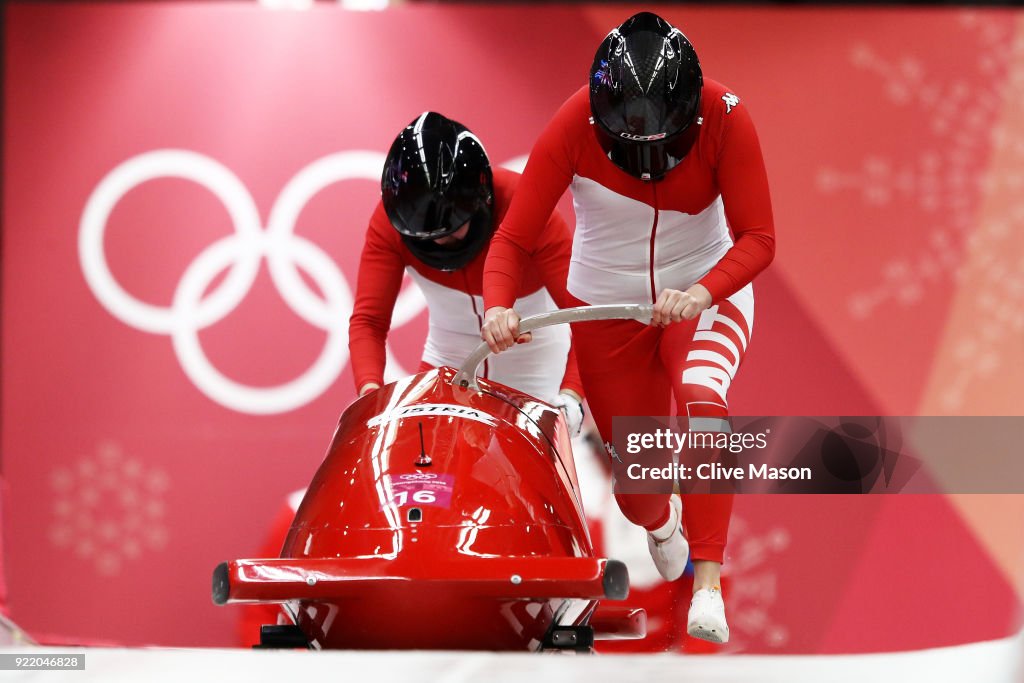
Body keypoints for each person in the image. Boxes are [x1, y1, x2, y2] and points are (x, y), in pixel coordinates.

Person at [481, 12, 775, 644]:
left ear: (690, 112)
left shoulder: (728, 116)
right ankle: (661, 520)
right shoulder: (571, 122)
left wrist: (701, 291)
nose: (648, 158)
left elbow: (760, 239)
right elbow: (513, 236)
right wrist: (499, 303)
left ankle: (707, 582)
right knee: (638, 489)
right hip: (608, 311)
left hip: (702, 291)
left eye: (663, 141)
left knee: (703, 398)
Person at [348, 111, 584, 428]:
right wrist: (370, 396)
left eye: (450, 229)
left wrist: (570, 396)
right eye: (426, 237)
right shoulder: (388, 223)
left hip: (538, 368)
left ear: (482, 201)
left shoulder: (524, 203)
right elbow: (369, 321)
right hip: (447, 360)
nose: (440, 243)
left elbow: (586, 321)